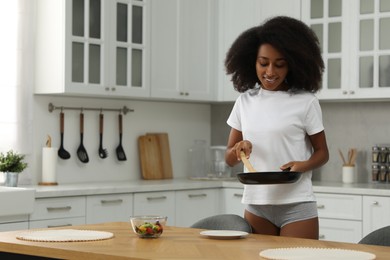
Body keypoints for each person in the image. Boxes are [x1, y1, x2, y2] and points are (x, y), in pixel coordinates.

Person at [224, 16, 329, 239]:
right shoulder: (245, 101)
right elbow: (229, 158)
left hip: (297, 204)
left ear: (292, 63)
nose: (270, 72)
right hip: (256, 206)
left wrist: (303, 165)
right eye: (263, 63)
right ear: (252, 62)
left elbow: (322, 153)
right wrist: (237, 149)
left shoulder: (306, 101)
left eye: (279, 64)